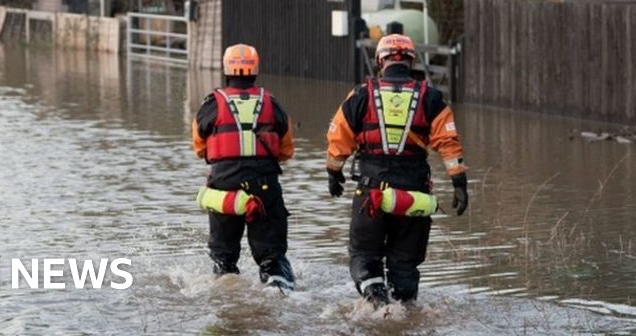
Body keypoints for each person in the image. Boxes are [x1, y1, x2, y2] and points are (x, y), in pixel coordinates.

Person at [325, 33, 469, 306]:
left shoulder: (360, 95)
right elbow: (448, 143)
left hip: (371, 191)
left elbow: (338, 138)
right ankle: (403, 308)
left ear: (381, 61)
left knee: (364, 255)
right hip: (413, 193)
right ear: (411, 61)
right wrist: (459, 183)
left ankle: (376, 298)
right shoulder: (432, 98)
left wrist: (334, 173)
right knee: (405, 264)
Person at [192, 43, 295, 291]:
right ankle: (277, 290)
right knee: (272, 257)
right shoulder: (272, 103)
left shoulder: (211, 104)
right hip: (265, 185)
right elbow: (286, 150)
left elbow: (199, 146)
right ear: (255, 70)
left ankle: (226, 287)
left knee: (223, 257)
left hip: (224, 186)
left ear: (226, 69)